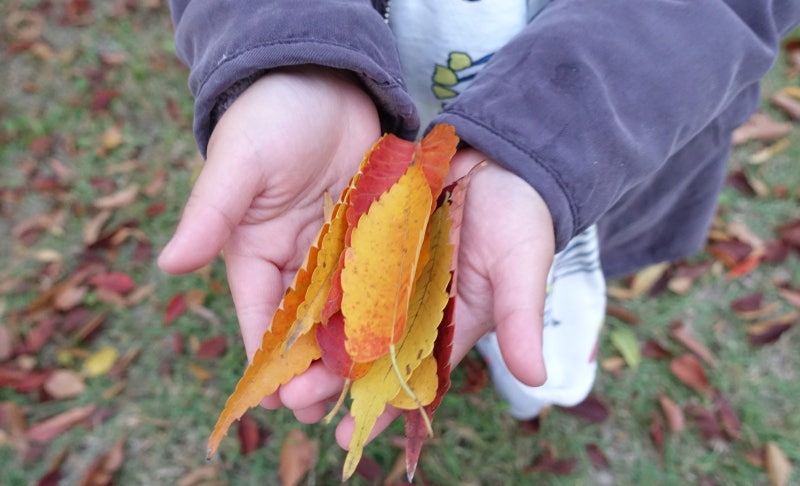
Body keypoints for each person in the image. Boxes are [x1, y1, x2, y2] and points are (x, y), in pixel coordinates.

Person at [158, 0, 800, 452]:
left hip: (597, 152)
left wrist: (551, 139)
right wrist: (291, 56)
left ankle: (540, 386)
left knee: (537, 296)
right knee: (476, 295)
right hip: (380, 107)